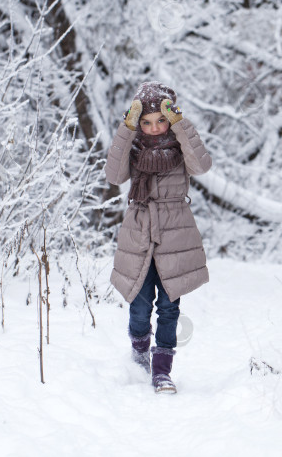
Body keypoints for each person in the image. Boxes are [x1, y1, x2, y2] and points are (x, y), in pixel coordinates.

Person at [104, 81, 212, 394]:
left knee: (169, 307)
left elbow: (202, 165)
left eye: (161, 121)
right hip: (138, 233)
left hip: (174, 234)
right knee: (139, 306)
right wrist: (127, 127)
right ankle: (139, 352)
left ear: (170, 118)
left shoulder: (180, 148)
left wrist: (180, 125)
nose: (154, 128)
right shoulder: (133, 149)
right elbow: (114, 176)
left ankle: (162, 372)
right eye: (146, 122)